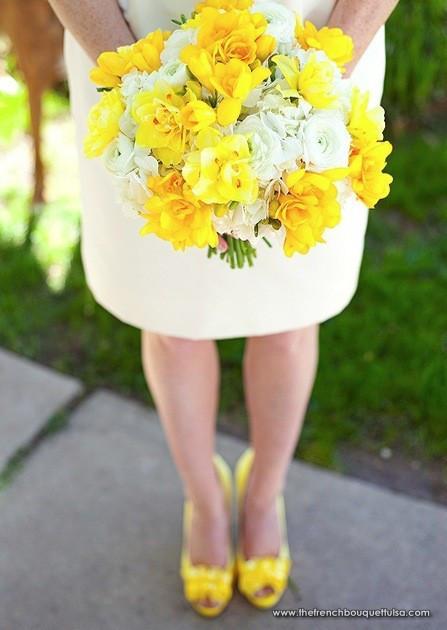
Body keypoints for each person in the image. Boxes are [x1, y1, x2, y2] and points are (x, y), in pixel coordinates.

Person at [50, 0, 399, 617]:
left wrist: (322, 74)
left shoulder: (322, 66)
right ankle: (205, 501)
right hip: (139, 51)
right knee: (174, 324)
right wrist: (131, 83)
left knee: (292, 320)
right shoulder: (134, 77)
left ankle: (264, 496)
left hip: (316, 46)